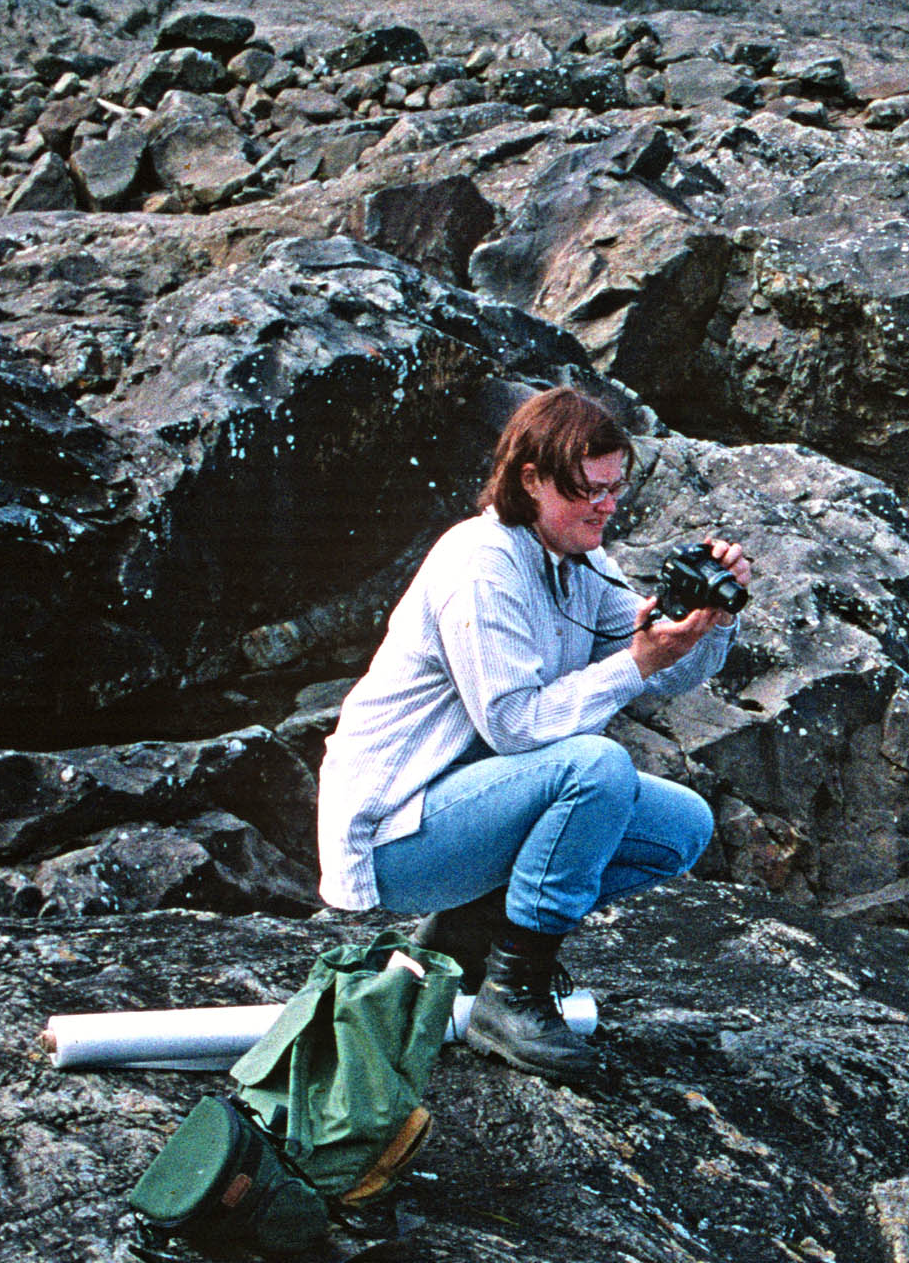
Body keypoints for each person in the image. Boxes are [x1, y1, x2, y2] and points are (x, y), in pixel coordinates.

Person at [314, 385, 749, 1082]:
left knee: (681, 825)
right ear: (530, 479)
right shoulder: (480, 566)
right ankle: (510, 995)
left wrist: (710, 622)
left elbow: (660, 675)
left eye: (614, 488)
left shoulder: (578, 560)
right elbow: (516, 726)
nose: (607, 506)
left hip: (470, 806)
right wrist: (637, 660)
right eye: (589, 490)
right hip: (395, 831)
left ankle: (468, 939)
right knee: (592, 767)